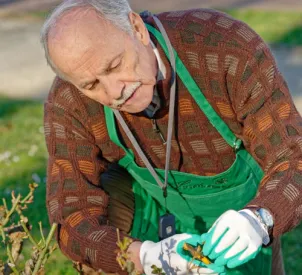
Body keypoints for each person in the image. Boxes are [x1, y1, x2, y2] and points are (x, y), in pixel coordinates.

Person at [41, 0, 302, 274]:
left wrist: (260, 219)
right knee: (99, 245)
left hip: (243, 207)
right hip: (147, 210)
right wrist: (144, 257)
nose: (114, 91)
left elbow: (294, 152)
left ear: (137, 28)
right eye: (92, 85)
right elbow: (71, 214)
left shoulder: (223, 45)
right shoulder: (70, 101)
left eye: (114, 65)